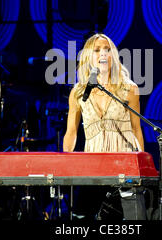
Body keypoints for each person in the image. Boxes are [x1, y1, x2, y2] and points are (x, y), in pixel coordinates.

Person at [63, 33, 147, 220]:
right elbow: (71, 132)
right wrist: (67, 163)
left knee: (130, 221)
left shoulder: (129, 89)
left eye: (108, 50)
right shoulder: (78, 93)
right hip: (93, 167)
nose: (103, 54)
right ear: (88, 57)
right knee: (80, 219)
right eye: (97, 50)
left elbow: (136, 130)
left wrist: (140, 165)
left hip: (124, 164)